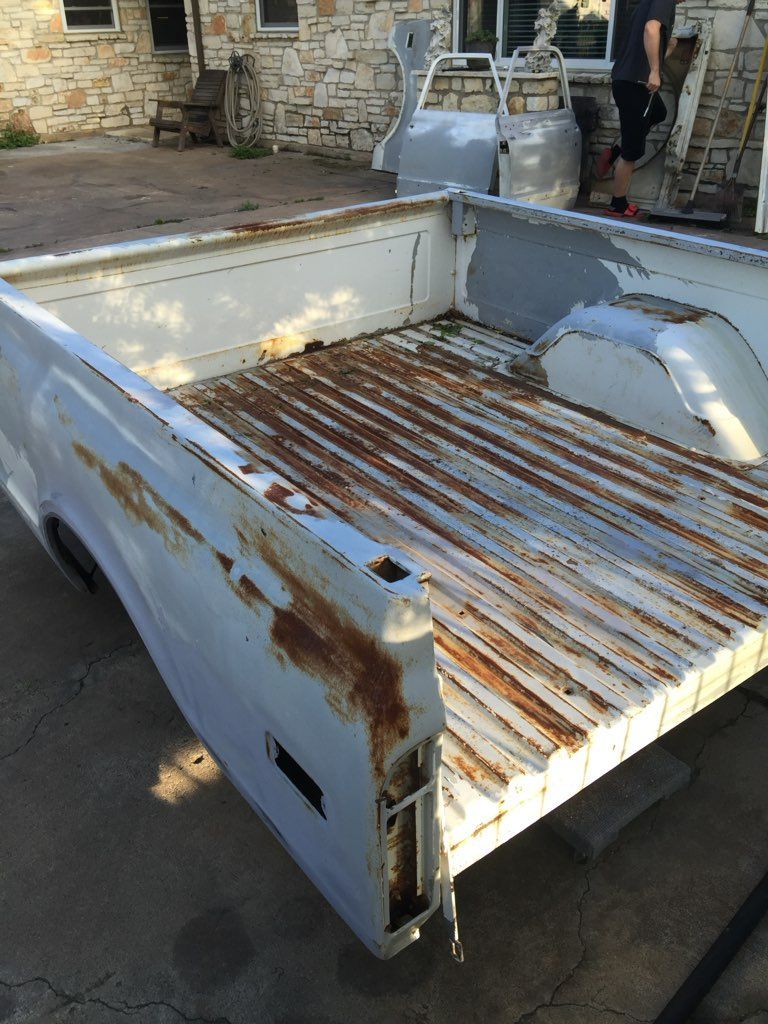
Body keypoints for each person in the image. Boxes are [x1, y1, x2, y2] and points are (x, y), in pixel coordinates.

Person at [596, 0, 680, 217]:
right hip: (634, 84)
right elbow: (651, 29)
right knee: (633, 149)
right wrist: (654, 71)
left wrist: (666, 50)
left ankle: (614, 152)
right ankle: (618, 205)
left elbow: (645, 44)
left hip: (630, 81)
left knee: (658, 113)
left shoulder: (648, 3)